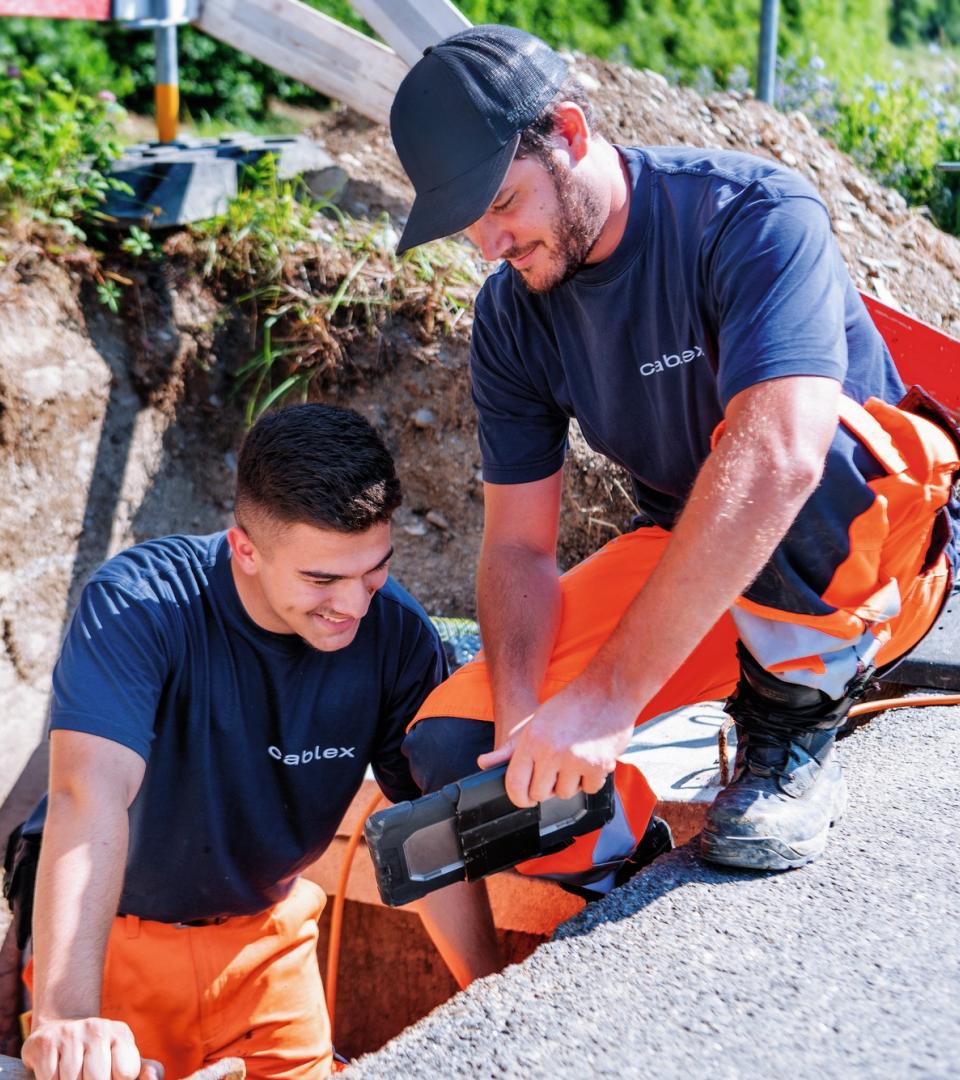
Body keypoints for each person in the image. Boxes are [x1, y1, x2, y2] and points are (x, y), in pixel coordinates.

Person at [389, 24, 960, 901]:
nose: (488, 242)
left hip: (863, 557)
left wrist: (607, 699)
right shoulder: (513, 314)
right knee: (452, 752)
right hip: (697, 562)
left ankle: (790, 739)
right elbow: (516, 551)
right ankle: (621, 866)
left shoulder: (751, 214)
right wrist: (524, 728)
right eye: (469, 221)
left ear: (570, 135)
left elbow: (780, 457)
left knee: (776, 442)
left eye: (501, 202)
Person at [20, 404, 499, 1080]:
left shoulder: (394, 634)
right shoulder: (137, 607)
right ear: (244, 549)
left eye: (374, 570)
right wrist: (67, 1018)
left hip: (273, 946)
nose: (355, 607)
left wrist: (496, 997)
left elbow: (428, 834)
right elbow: (84, 795)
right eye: (322, 580)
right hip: (118, 953)